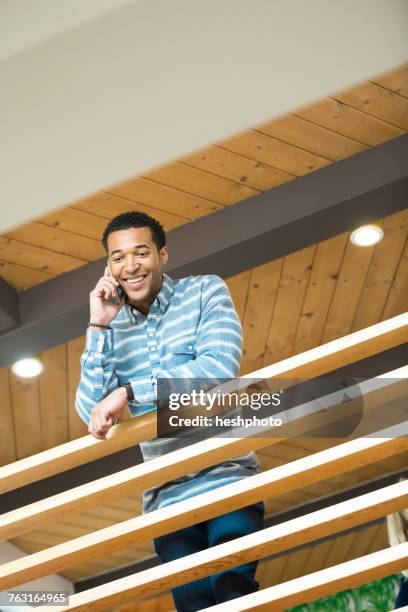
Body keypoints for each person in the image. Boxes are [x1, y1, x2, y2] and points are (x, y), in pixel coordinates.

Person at [75, 211, 264, 611]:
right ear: (109, 266)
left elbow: (216, 370)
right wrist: (98, 326)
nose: (130, 266)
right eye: (118, 258)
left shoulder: (203, 292)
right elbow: (90, 413)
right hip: (165, 500)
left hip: (226, 475)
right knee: (192, 604)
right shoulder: (109, 327)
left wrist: (130, 392)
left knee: (233, 589)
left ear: (162, 254)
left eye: (140, 253)